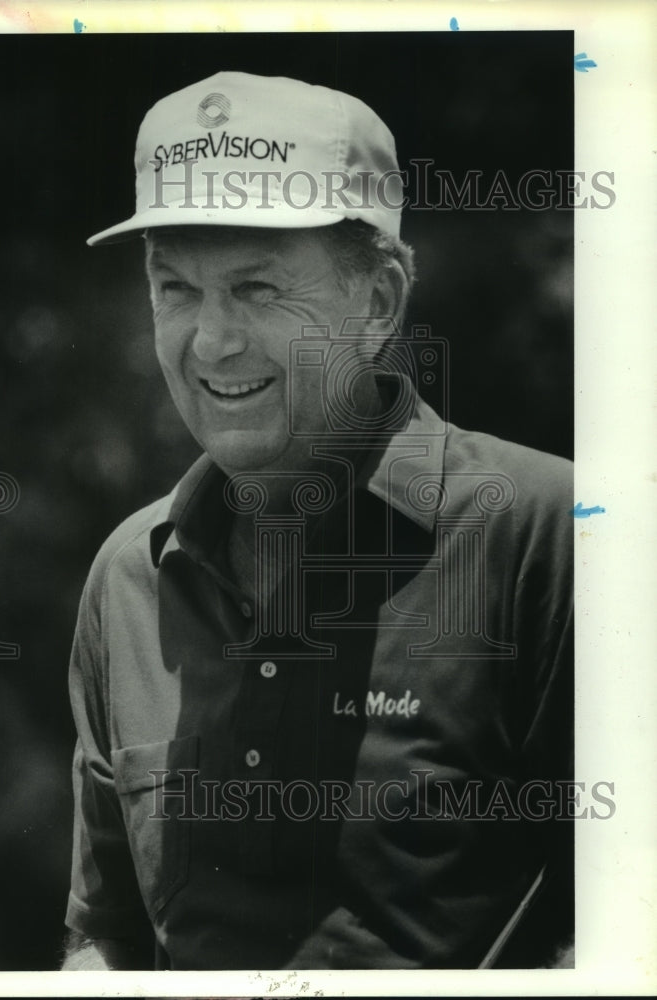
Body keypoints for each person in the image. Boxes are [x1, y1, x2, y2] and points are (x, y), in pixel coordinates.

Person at [62, 71, 574, 971]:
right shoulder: (127, 577)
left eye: (258, 289)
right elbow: (104, 939)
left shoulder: (550, 535)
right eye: (176, 288)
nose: (212, 341)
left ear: (376, 304)